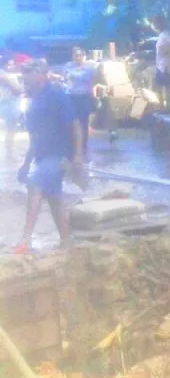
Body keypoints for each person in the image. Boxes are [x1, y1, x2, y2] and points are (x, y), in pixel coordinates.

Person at [15, 59, 84, 254]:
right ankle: (66, 240)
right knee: (54, 199)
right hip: (42, 156)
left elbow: (75, 125)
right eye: (23, 74)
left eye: (28, 73)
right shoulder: (32, 100)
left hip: (59, 154)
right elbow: (34, 137)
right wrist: (26, 163)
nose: (24, 78)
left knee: (35, 184)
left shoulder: (56, 95)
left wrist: (78, 155)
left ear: (41, 75)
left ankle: (25, 240)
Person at [62, 47, 100, 156]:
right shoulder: (68, 66)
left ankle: (83, 146)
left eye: (80, 55)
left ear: (83, 56)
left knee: (83, 121)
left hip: (85, 97)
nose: (78, 58)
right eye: (76, 56)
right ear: (73, 56)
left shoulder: (90, 68)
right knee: (71, 121)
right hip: (71, 97)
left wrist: (93, 92)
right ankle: (71, 145)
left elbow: (95, 80)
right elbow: (64, 79)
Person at [0, 57, 23, 156]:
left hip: (9, 103)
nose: (11, 66)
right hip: (9, 104)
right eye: (9, 64)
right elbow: (17, 90)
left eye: (12, 64)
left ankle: (9, 153)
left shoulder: (9, 75)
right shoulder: (5, 75)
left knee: (10, 131)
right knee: (10, 130)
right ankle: (9, 154)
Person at [152, 14, 170, 108]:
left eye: (154, 23)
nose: (153, 26)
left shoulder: (166, 34)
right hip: (161, 64)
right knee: (160, 86)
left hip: (165, 65)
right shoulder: (162, 34)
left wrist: (169, 52)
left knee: (163, 86)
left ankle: (165, 106)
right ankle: (163, 106)